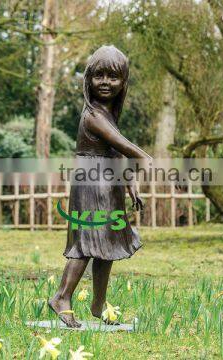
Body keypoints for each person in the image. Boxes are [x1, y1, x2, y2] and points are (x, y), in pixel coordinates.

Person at [48, 45, 152, 328]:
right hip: (92, 185)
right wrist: (144, 161)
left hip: (108, 183)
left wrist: (130, 180)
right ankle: (61, 296)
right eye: (99, 76)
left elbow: (114, 150)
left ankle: (98, 305)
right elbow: (132, 151)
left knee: (107, 245)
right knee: (86, 243)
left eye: (113, 77)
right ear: (88, 79)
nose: (106, 82)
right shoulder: (93, 115)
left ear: (124, 81)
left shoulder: (106, 112)